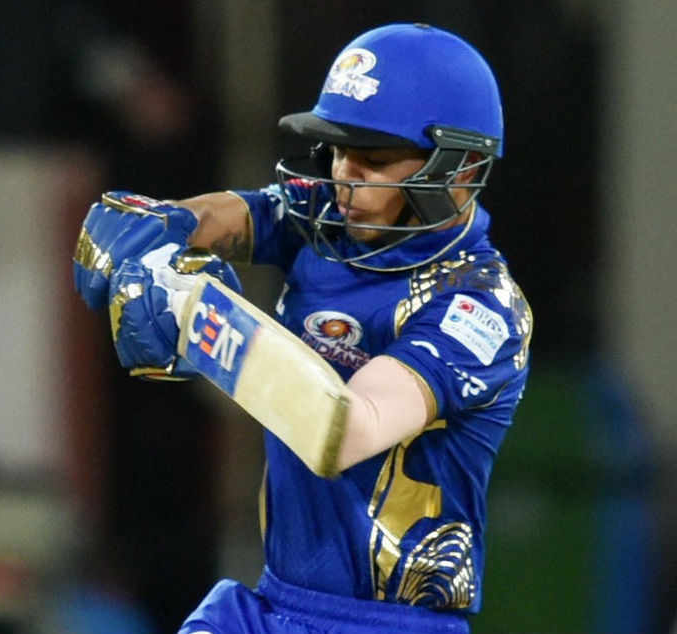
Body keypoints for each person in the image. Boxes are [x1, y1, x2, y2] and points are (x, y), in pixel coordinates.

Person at [72, 23, 532, 634]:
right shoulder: (329, 219)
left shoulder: (479, 307)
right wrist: (159, 230)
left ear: (461, 169)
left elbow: (345, 429)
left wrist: (196, 314)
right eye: (337, 151)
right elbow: (241, 212)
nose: (344, 178)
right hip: (273, 604)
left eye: (373, 160)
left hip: (383, 624)